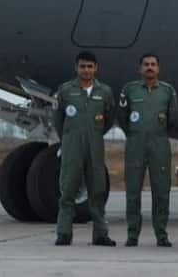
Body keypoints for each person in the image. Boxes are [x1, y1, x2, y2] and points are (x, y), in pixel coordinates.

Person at [53, 50, 116, 246]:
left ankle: (100, 234)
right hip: (72, 146)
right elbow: (58, 121)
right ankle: (64, 233)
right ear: (76, 68)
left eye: (90, 66)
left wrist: (94, 134)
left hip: (95, 147)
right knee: (68, 189)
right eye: (82, 66)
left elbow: (108, 119)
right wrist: (70, 136)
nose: (86, 70)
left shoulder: (104, 92)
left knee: (97, 190)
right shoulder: (65, 91)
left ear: (95, 68)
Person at [118, 53, 178, 247]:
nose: (150, 68)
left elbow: (173, 119)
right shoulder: (129, 90)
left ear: (158, 69)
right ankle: (132, 234)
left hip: (159, 143)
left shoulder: (168, 91)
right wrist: (135, 133)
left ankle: (161, 234)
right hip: (135, 144)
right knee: (133, 191)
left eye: (153, 65)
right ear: (140, 69)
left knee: (161, 191)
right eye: (146, 65)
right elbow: (122, 117)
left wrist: (158, 133)